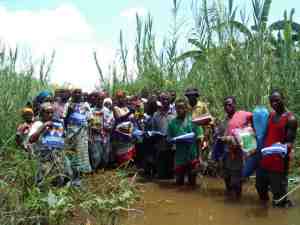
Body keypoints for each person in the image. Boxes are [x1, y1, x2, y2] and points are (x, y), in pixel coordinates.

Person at [256, 90, 298, 207]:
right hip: (265, 160)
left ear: (284, 100)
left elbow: (289, 143)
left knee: (279, 198)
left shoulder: (291, 119)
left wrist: (278, 147)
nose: (274, 103)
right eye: (271, 101)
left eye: (277, 100)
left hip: (279, 163)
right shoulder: (271, 115)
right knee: (260, 188)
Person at [220, 96, 252, 199]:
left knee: (236, 181)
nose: (227, 107)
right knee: (227, 178)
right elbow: (220, 135)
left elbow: (248, 135)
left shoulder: (242, 118)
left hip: (237, 154)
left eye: (230, 104)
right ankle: (230, 200)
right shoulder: (224, 121)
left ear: (235, 105)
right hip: (225, 153)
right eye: (225, 105)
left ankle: (238, 199)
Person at [167, 97, 204, 186]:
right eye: (178, 108)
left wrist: (199, 157)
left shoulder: (193, 122)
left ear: (186, 108)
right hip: (179, 157)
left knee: (192, 183)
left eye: (182, 108)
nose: (179, 110)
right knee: (179, 182)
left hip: (192, 155)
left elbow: (199, 139)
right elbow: (168, 138)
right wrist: (172, 140)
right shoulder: (172, 123)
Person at [28, 103, 66, 187]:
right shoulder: (38, 124)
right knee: (43, 178)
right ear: (41, 113)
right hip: (43, 157)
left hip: (56, 156)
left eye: (52, 112)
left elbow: (61, 140)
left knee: (59, 177)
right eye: (47, 113)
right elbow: (31, 139)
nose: (50, 115)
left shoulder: (57, 124)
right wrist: (43, 126)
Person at [65, 88, 92, 176]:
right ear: (72, 94)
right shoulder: (68, 104)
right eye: (75, 92)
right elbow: (64, 119)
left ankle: (81, 172)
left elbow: (89, 120)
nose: (77, 94)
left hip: (82, 133)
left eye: (79, 92)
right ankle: (71, 172)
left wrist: (89, 135)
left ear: (81, 94)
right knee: (71, 152)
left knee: (82, 152)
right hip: (70, 133)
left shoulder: (85, 105)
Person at [152, 92, 176, 179]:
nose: (165, 101)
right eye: (163, 99)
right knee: (161, 175)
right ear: (160, 101)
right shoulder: (156, 115)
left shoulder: (175, 114)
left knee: (172, 175)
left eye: (167, 99)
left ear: (170, 100)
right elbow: (153, 131)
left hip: (173, 148)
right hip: (160, 147)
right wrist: (156, 136)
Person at [112, 90, 135, 166]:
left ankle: (128, 166)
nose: (121, 99)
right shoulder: (115, 108)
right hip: (120, 135)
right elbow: (119, 119)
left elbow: (132, 119)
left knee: (129, 151)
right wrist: (129, 113)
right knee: (122, 152)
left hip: (129, 134)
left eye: (122, 97)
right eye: (119, 97)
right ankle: (122, 166)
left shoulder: (127, 107)